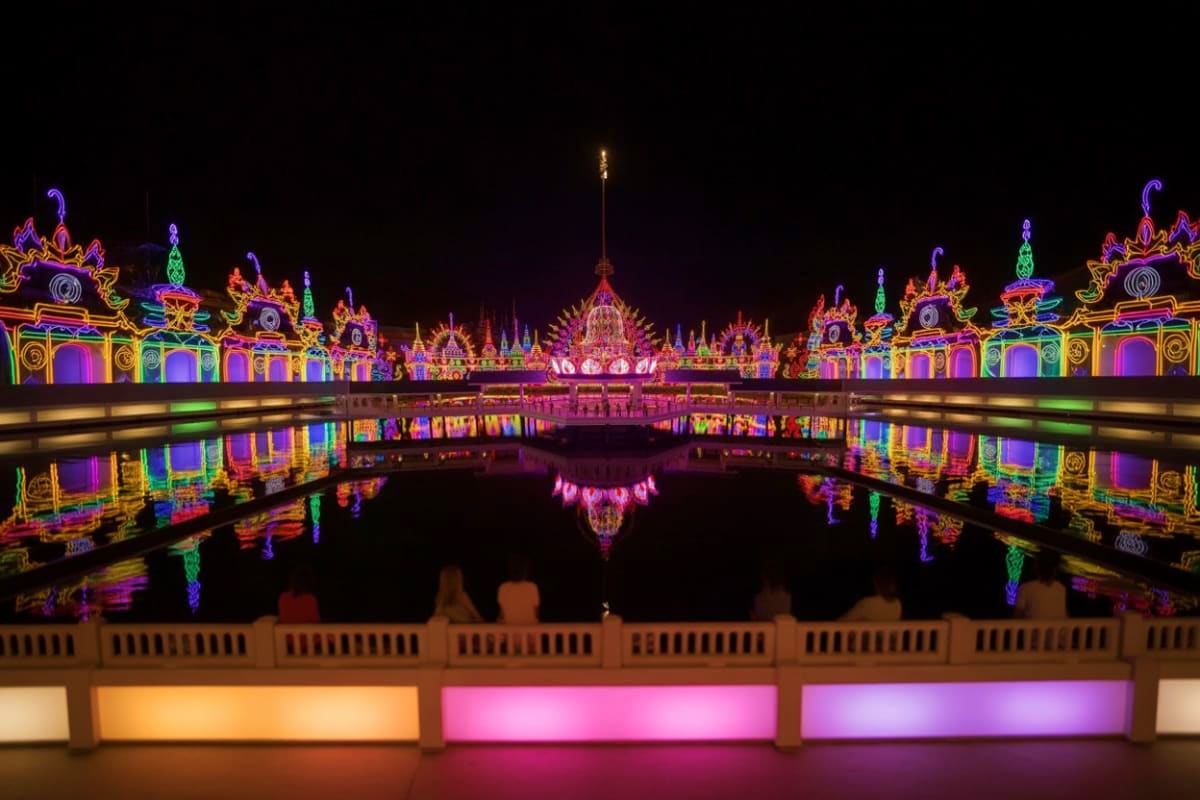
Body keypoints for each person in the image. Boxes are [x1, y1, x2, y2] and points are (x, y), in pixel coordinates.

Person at [1015, 550, 1068, 619]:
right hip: (1059, 629)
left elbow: (1016, 616)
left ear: (1036, 567)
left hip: (1034, 629)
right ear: (1055, 570)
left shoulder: (1025, 588)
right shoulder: (1061, 588)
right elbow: (1065, 615)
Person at [497, 554, 539, 624]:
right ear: (525, 570)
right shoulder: (532, 587)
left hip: (509, 629)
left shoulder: (503, 587)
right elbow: (536, 613)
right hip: (529, 630)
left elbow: (502, 612)